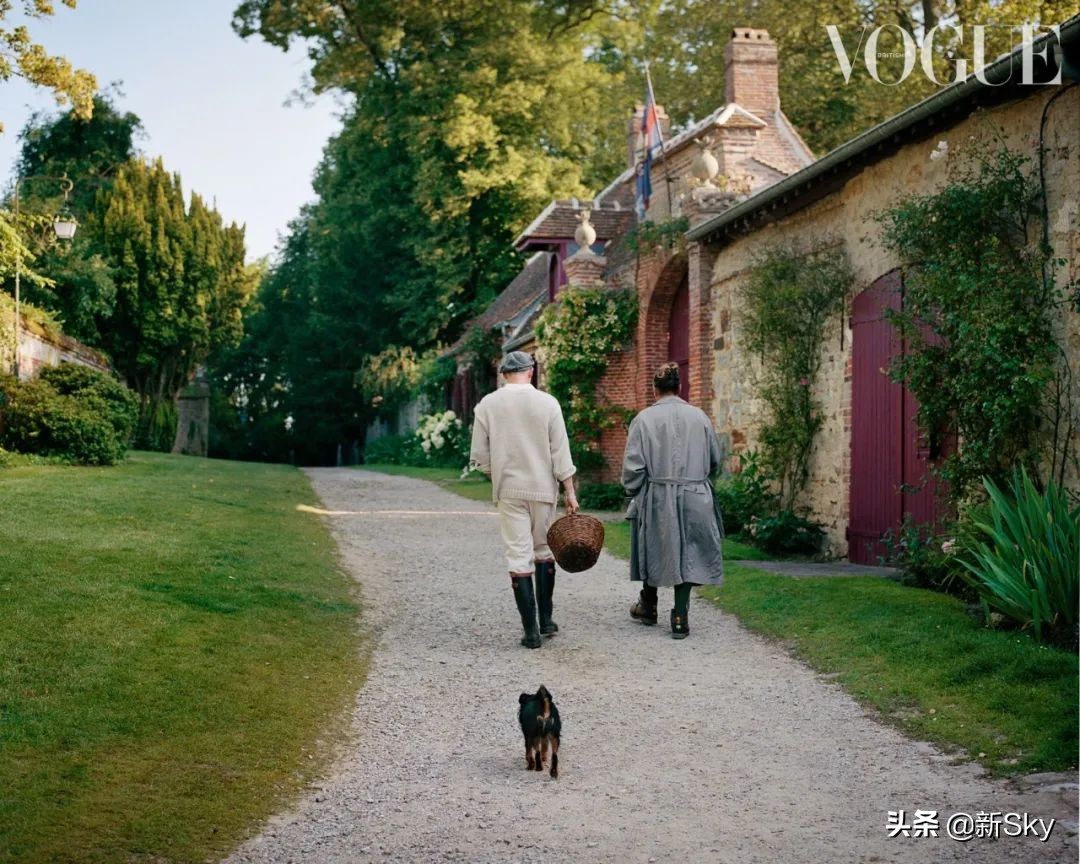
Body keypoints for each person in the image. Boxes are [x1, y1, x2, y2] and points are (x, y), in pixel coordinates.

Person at [470, 350, 579, 649]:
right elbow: (561, 452)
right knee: (543, 550)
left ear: (504, 374)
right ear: (530, 372)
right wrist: (569, 491)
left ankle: (530, 632)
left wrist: (500, 473)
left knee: (518, 554)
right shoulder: (548, 403)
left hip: (509, 490)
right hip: (543, 488)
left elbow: (479, 458)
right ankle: (546, 620)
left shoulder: (487, 405)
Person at [622, 362, 724, 639]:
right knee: (690, 551)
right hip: (695, 492)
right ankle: (680, 614)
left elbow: (633, 467)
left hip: (659, 493)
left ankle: (649, 603)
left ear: (655, 390)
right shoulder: (700, 417)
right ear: (680, 388)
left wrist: (633, 490)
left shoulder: (643, 419)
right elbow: (715, 458)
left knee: (653, 544)